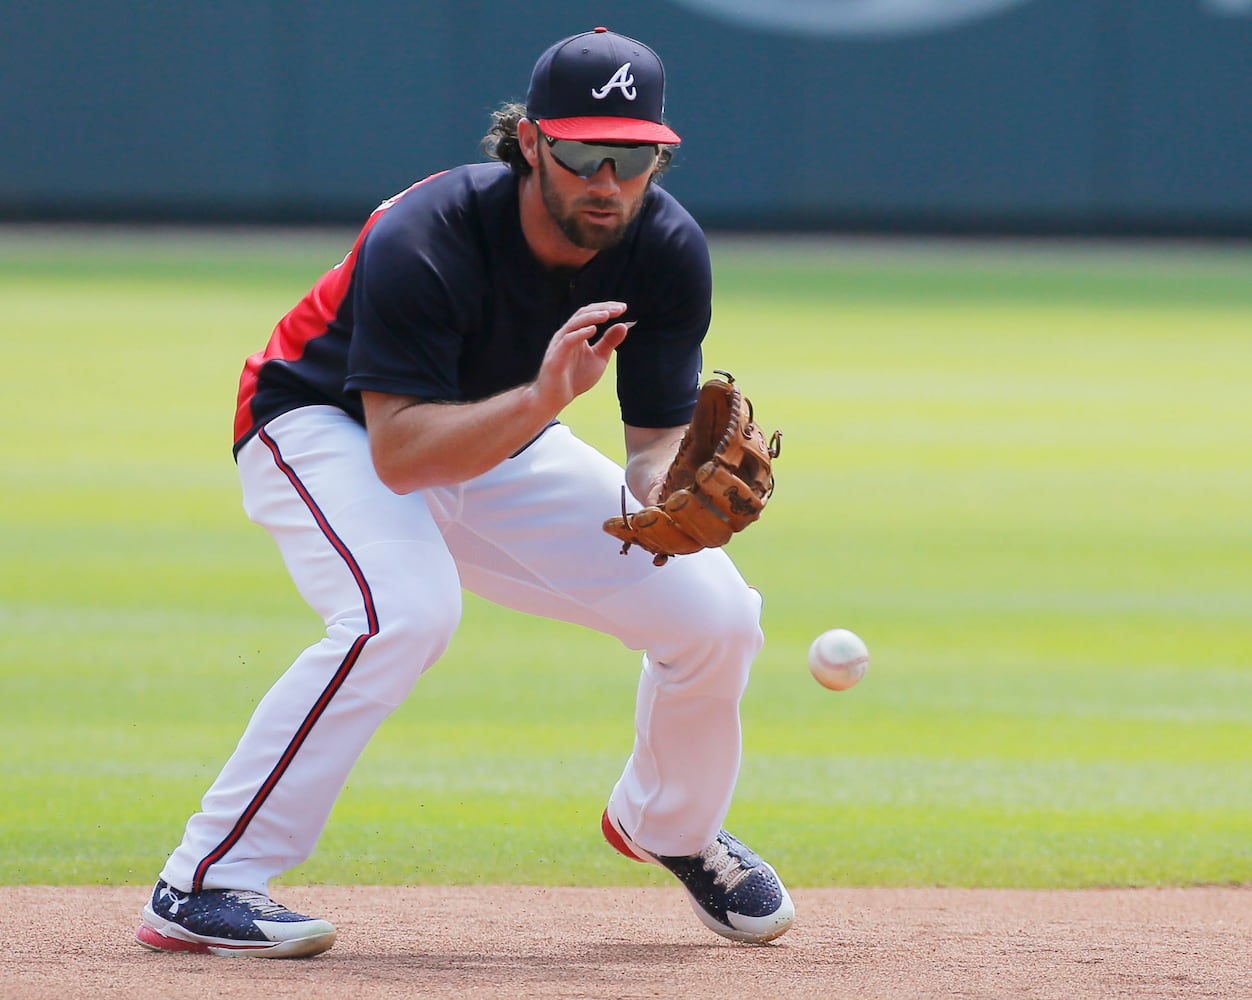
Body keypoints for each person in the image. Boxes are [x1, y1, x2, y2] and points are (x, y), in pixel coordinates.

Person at [135, 26, 794, 958]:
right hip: (326, 425)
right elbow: (402, 457)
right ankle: (204, 878)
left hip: (504, 444)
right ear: (529, 142)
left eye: (635, 157)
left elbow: (650, 445)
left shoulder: (667, 250)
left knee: (717, 613)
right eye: (582, 154)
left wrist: (667, 497)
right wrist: (540, 397)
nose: (607, 181)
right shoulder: (430, 233)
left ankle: (669, 824)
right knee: (400, 612)